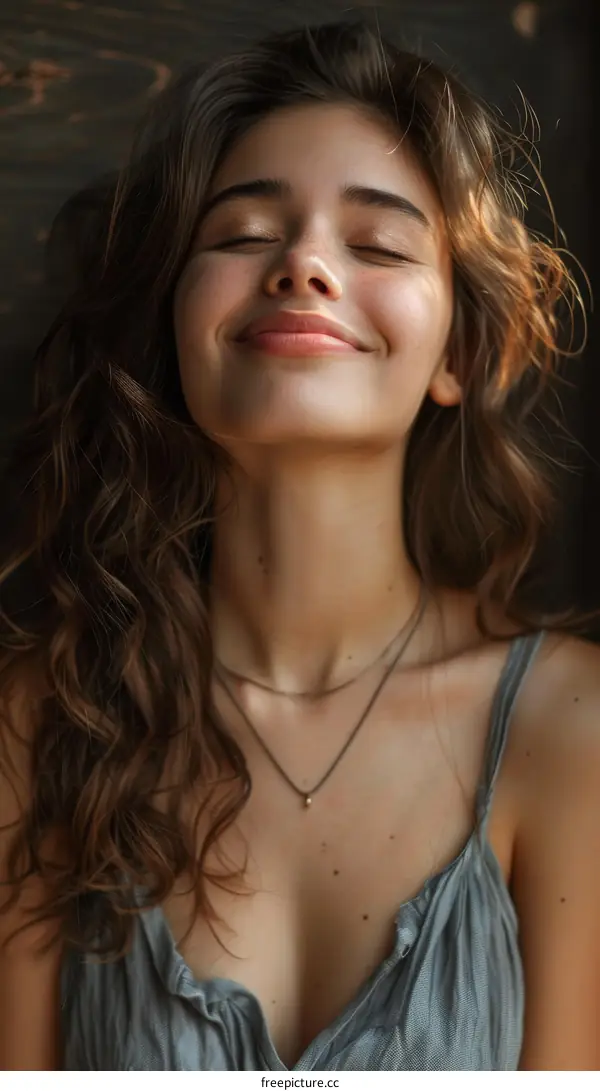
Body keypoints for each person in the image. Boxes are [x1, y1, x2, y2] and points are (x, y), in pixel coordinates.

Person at [0, 18, 599, 1073]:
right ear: (175, 321)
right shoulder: (41, 724)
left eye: (376, 244)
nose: (304, 265)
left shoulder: (572, 731)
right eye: (242, 235)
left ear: (457, 350)